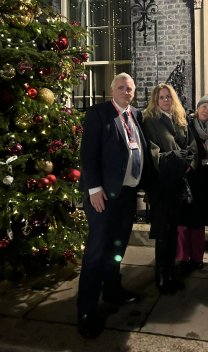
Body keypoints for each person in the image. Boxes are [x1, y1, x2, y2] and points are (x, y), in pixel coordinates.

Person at [77, 73, 148, 339]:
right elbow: (88, 152)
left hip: (127, 194)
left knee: (118, 246)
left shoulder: (136, 115)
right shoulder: (99, 113)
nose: (125, 92)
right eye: (121, 88)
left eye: (129, 88)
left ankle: (113, 290)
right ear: (112, 91)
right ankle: (86, 309)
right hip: (103, 196)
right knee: (96, 252)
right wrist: (93, 189)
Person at [143, 84, 198, 295]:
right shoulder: (151, 122)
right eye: (161, 98)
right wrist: (179, 159)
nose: (165, 100)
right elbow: (154, 155)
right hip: (162, 185)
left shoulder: (181, 120)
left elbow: (192, 148)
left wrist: (186, 164)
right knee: (163, 233)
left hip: (179, 184)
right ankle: (160, 276)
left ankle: (170, 273)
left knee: (173, 231)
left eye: (168, 97)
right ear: (155, 101)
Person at [177, 95, 208, 271]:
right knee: (184, 221)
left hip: (205, 182)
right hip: (189, 179)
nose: (206, 111)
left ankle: (197, 258)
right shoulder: (187, 126)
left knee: (199, 221)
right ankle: (183, 257)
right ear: (198, 108)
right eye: (204, 107)